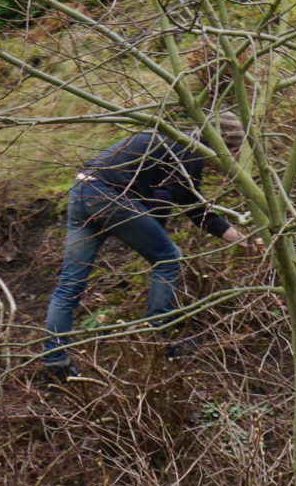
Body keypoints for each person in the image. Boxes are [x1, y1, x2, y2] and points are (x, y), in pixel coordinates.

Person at [41, 116, 252, 377]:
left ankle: (55, 360)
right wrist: (157, 238)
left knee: (70, 285)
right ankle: (160, 341)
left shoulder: (175, 145)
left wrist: (240, 239)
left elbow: (192, 207)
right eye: (235, 153)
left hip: (83, 189)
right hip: (108, 195)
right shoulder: (187, 157)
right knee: (168, 259)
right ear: (225, 147)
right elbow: (172, 204)